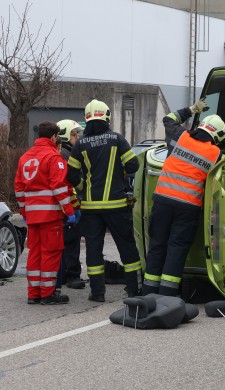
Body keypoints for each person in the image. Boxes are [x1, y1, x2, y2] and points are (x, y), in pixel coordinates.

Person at [142, 100, 225, 297]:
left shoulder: (180, 136)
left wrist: (192, 110)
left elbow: (168, 119)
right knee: (176, 249)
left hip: (162, 201)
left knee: (157, 246)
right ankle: (167, 295)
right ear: (217, 136)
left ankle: (148, 291)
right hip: (187, 208)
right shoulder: (216, 153)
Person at [67, 99, 141, 302]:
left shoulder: (80, 143)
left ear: (87, 119)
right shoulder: (116, 139)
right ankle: (134, 290)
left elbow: (71, 175)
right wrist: (119, 174)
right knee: (126, 247)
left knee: (93, 250)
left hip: (90, 208)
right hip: (117, 205)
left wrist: (83, 188)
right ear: (107, 116)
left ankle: (97, 293)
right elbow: (133, 164)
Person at [14, 121, 77, 305]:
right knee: (50, 253)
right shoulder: (53, 157)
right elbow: (58, 188)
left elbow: (18, 188)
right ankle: (47, 294)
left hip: (32, 216)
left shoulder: (24, 157)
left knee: (35, 253)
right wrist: (69, 211)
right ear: (54, 137)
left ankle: (33, 293)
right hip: (50, 216)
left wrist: (25, 210)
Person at [56, 120, 85, 290]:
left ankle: (65, 275)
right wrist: (74, 208)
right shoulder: (67, 155)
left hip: (65, 205)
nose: (77, 137)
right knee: (72, 240)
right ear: (66, 135)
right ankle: (72, 275)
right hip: (69, 205)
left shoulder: (65, 152)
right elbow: (70, 184)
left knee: (66, 241)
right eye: (74, 134)